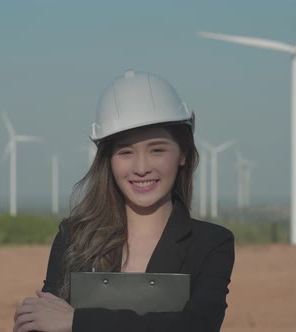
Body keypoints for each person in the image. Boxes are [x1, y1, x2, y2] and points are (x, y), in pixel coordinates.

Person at [12, 70, 235, 332]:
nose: (141, 168)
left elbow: (197, 326)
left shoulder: (211, 243)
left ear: (183, 154)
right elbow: (43, 320)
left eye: (157, 150)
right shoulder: (74, 236)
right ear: (108, 161)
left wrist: (76, 321)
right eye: (125, 152)